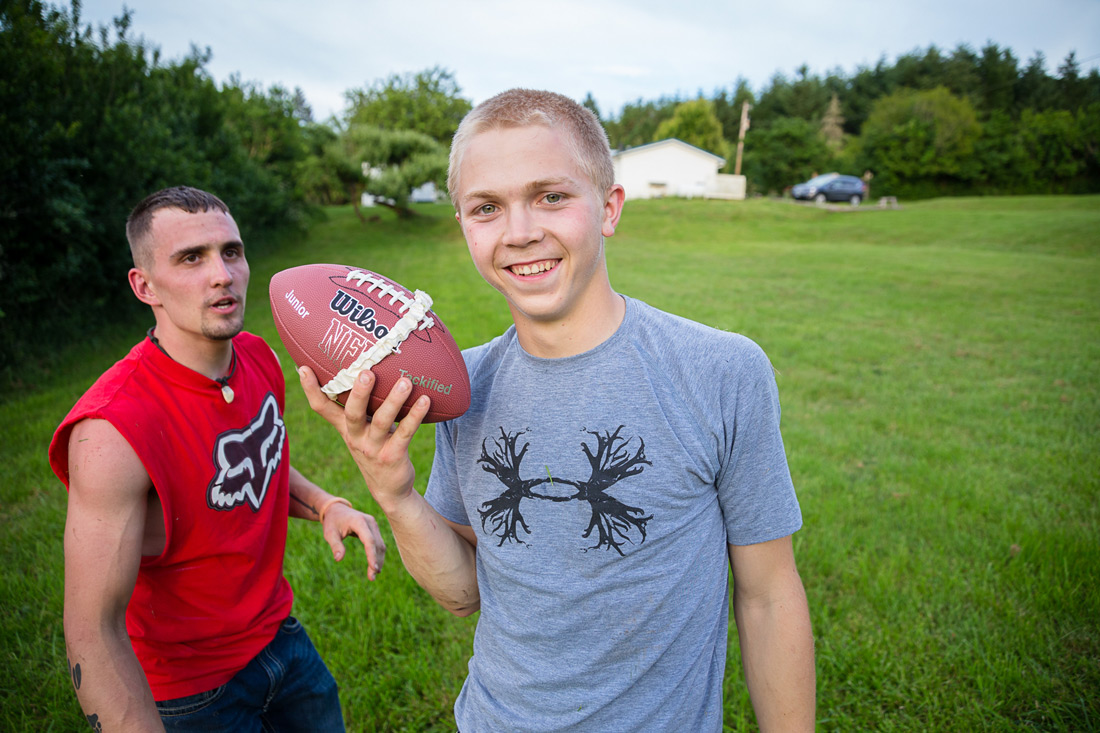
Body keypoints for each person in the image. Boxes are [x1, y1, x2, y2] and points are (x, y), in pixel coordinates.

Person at [300, 89, 815, 732]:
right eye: (487, 207)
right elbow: (464, 595)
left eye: (551, 196)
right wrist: (396, 494)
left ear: (608, 208)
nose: (520, 233)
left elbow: (768, 596)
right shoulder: (462, 387)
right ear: (463, 224)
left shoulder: (719, 372)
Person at [49, 186, 386, 732]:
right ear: (145, 286)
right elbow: (92, 629)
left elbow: (258, 462)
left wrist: (328, 506)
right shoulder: (111, 431)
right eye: (191, 258)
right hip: (189, 691)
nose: (222, 274)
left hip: (282, 643)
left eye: (231, 251)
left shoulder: (258, 357)